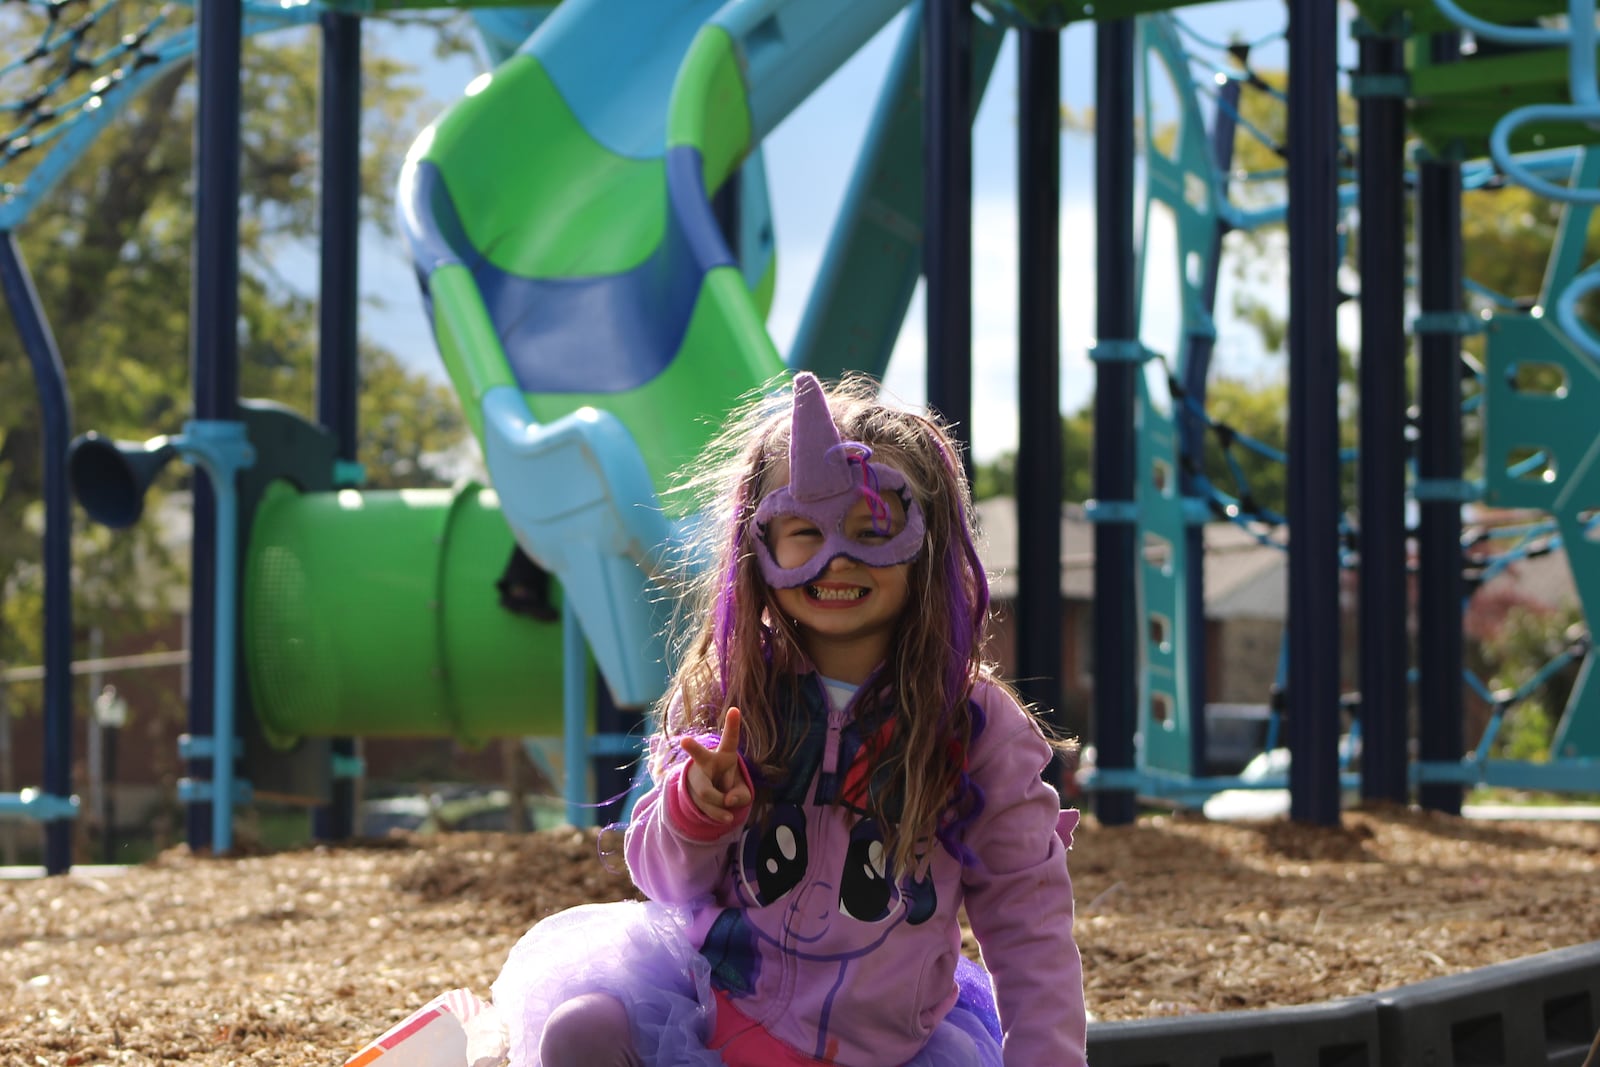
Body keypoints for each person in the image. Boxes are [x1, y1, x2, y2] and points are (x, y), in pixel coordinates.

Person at [491, 372, 1086, 1067]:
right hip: (719, 1022)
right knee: (580, 1032)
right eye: (804, 531)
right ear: (760, 540)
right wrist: (693, 812)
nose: (837, 556)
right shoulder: (727, 695)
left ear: (926, 541)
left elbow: (1028, 921)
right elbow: (661, 879)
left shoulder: (975, 725)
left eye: (874, 529)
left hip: (887, 1051)